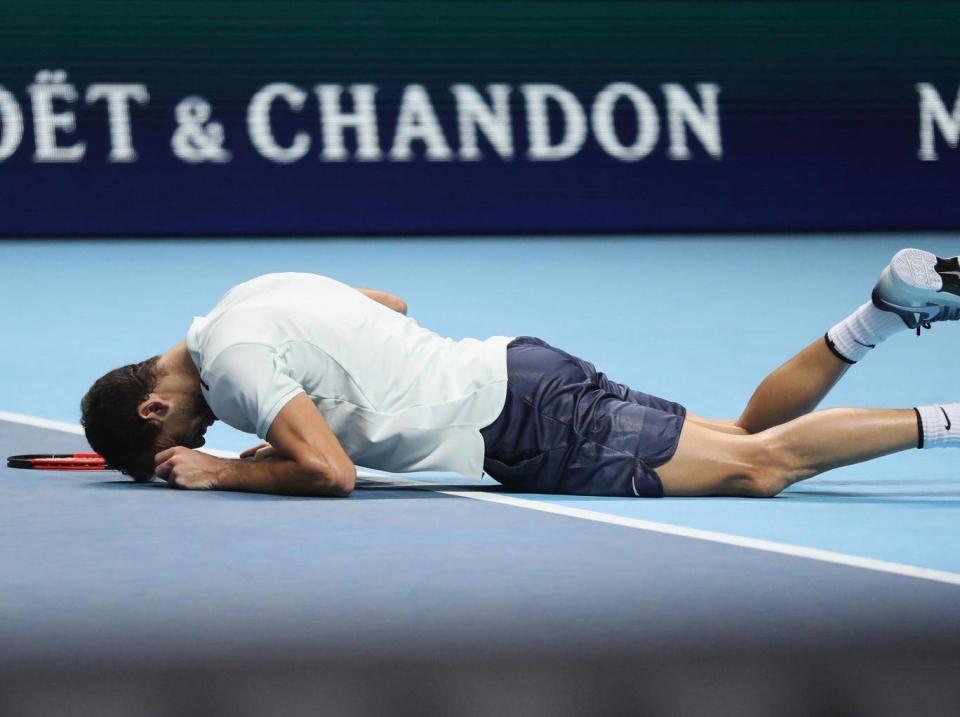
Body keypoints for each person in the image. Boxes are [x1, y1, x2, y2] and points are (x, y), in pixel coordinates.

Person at [81, 248, 960, 498]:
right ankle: (879, 315)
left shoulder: (232, 369)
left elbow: (330, 472)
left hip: (522, 427)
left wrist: (227, 469)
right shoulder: (249, 295)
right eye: (199, 439)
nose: (202, 433)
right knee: (741, 433)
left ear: (156, 402)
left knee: (759, 467)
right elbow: (386, 305)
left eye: (181, 430)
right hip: (522, 368)